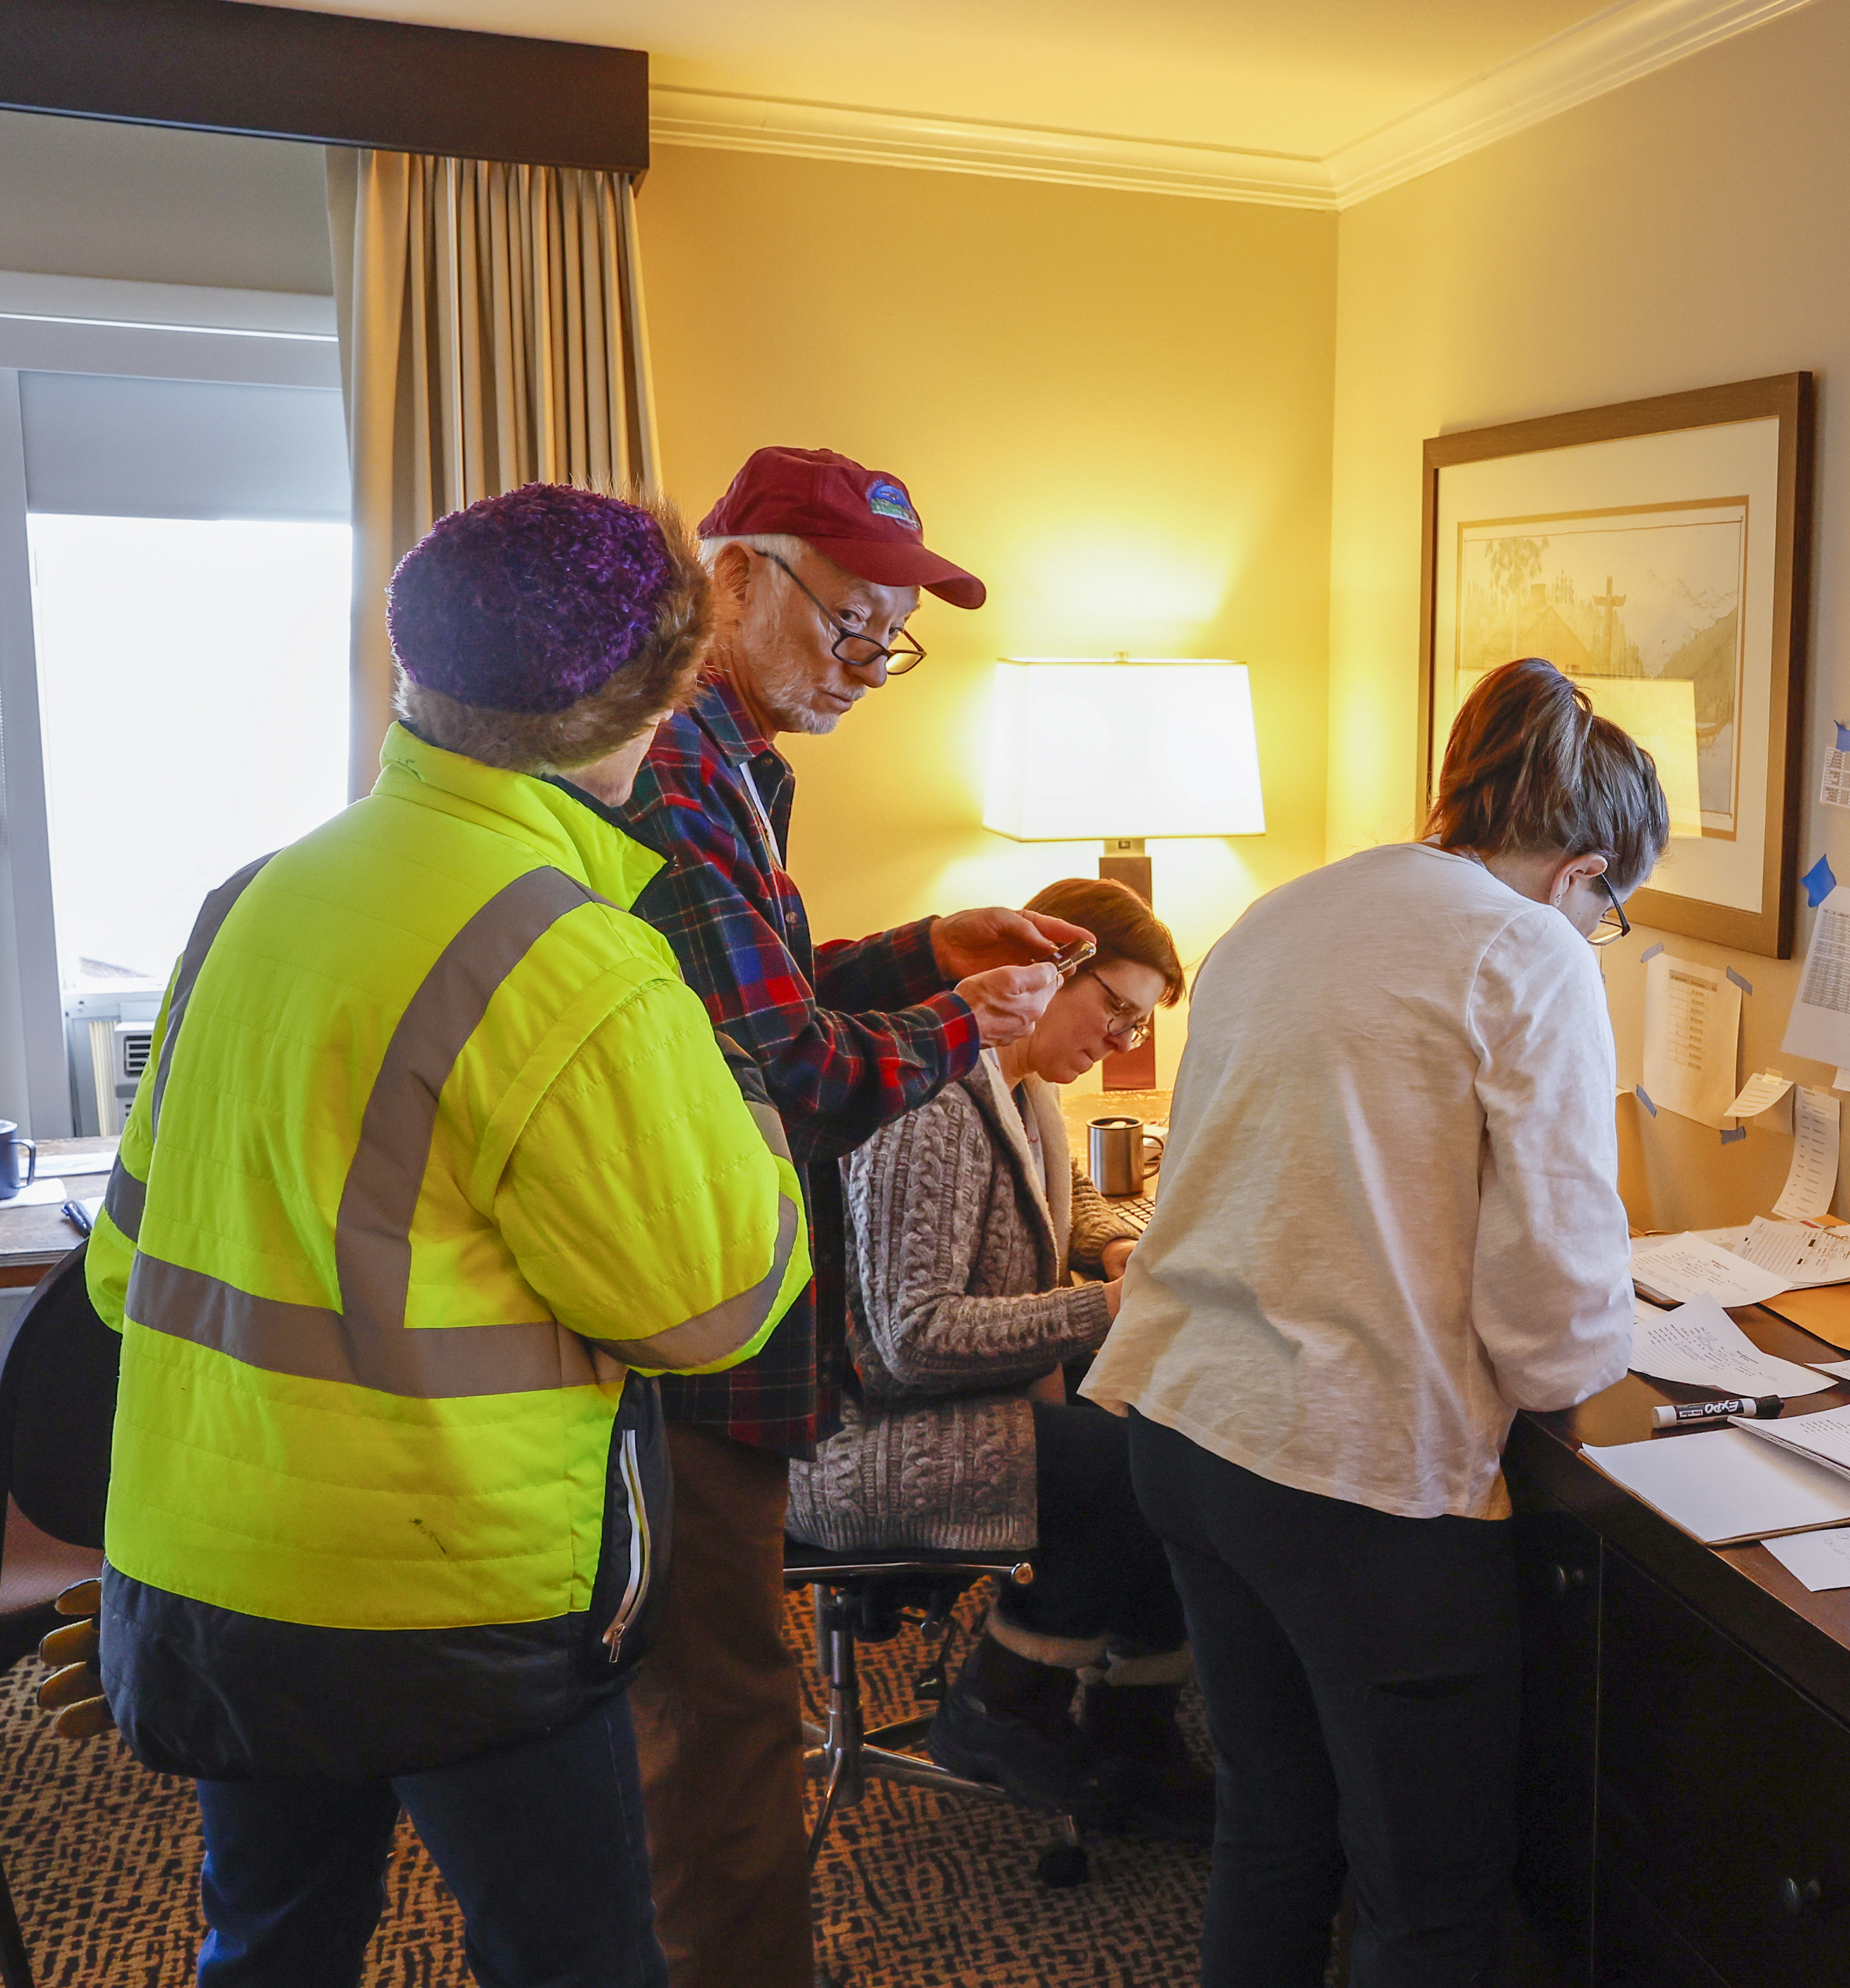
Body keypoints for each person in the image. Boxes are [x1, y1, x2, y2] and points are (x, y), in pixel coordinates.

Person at [83, 485, 810, 1988]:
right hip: (451, 1600)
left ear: (414, 665)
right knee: (574, 1959)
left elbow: (118, 1265)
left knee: (271, 1944)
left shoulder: (249, 899)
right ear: (663, 698)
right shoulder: (575, 959)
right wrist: (747, 1107)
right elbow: (719, 1302)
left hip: (207, 1567)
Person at [1085, 657, 1663, 1986]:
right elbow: (1554, 1325)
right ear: (1584, 869)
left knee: (1276, 1830)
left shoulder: (1290, 908)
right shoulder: (1526, 953)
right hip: (1349, 1477)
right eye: (1614, 911)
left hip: (1186, 1421)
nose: (1600, 938)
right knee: (1430, 1893)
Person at [615, 445, 1087, 1988]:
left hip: (736, 1308)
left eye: (896, 637)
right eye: (852, 625)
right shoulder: (673, 771)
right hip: (696, 1323)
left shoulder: (742, 766)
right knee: (733, 1726)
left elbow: (772, 994)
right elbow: (794, 1076)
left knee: (725, 1714)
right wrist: (973, 1020)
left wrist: (921, 950)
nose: (874, 666)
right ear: (734, 577)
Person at [785, 878, 1207, 1837]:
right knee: (1137, 1468)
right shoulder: (933, 1102)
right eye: (1118, 1011)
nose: (1123, 1041)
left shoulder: (1016, 1086)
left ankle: (1133, 1728)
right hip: (866, 1438)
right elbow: (908, 1341)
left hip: (941, 1411)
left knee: (1176, 1434)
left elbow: (1037, 1204)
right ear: (1051, 970)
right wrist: (1104, 1306)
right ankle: (1003, 1699)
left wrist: (1105, 1244)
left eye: (1140, 1025)